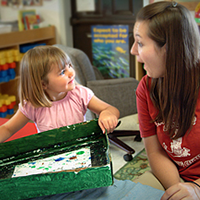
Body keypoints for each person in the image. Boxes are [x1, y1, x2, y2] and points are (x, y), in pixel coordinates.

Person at [130, 1, 200, 200]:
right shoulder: (146, 87)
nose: (133, 51)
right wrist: (178, 190)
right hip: (173, 176)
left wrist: (196, 188)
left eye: (141, 43)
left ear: (170, 48)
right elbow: (155, 152)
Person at [0, 46, 119, 143]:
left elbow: (111, 109)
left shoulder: (80, 94)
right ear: (43, 84)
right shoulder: (33, 105)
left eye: (70, 66)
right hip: (52, 158)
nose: (71, 73)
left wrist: (106, 114)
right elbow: (8, 128)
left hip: (80, 152)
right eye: (62, 72)